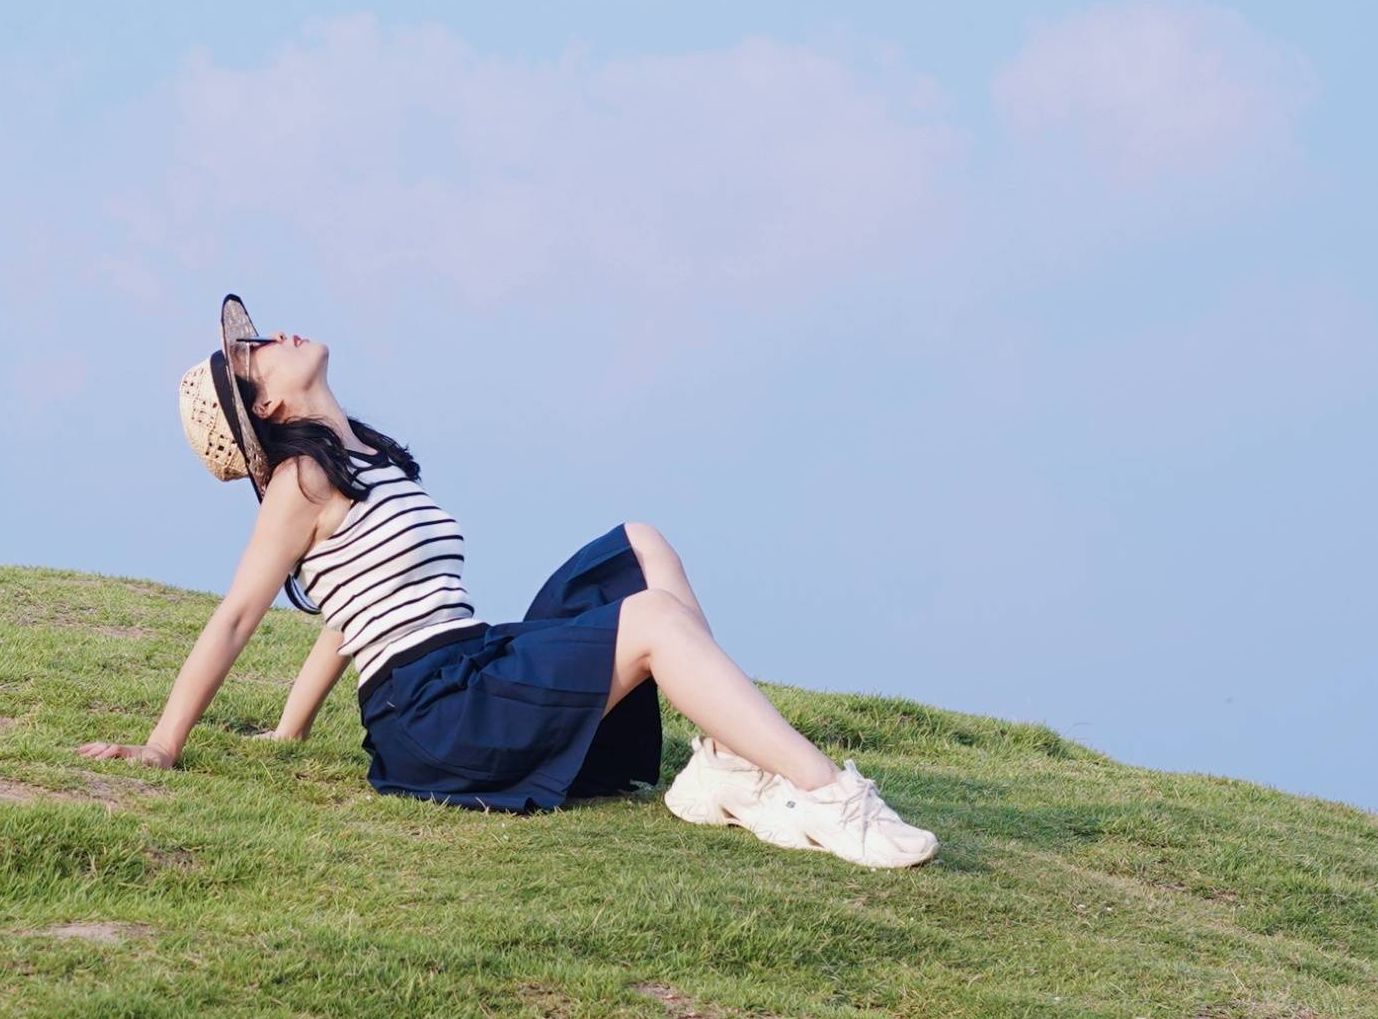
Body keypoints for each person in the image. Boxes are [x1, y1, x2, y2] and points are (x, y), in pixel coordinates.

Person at [80, 295, 936, 869]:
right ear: (264, 408)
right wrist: (162, 745)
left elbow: (355, 613)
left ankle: (727, 768)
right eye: (254, 354)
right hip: (439, 714)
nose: (272, 337)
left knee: (637, 545)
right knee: (652, 622)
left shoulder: (367, 460)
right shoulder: (299, 483)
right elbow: (236, 616)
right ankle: (832, 798)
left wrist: (287, 730)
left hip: (471, 666)